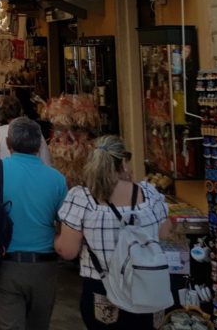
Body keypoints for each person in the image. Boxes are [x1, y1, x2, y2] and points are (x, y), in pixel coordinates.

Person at [54, 135, 171, 330]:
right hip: (147, 285)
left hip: (103, 291)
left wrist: (54, 238)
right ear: (123, 162)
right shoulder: (148, 193)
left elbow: (68, 251)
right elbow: (164, 233)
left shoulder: (82, 198)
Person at [0, 118, 67, 330]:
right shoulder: (57, 179)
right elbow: (64, 226)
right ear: (40, 145)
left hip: (7, 263)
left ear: (8, 142)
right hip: (45, 266)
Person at [0, 95, 52, 165]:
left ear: (3, 113)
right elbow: (46, 161)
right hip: (31, 174)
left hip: (7, 174)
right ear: (21, 110)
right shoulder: (34, 130)